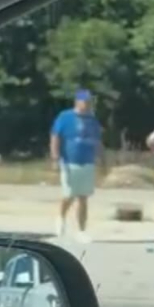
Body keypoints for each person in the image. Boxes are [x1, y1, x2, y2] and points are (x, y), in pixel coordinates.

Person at [50, 89, 102, 242]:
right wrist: (55, 157)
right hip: (69, 161)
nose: (86, 104)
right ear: (77, 101)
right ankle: (61, 218)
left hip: (87, 161)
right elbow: (55, 136)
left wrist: (101, 159)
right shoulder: (65, 117)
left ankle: (81, 230)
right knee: (69, 194)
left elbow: (98, 141)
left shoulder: (92, 120)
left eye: (88, 101)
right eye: (84, 101)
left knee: (83, 197)